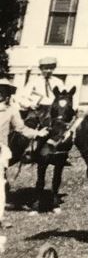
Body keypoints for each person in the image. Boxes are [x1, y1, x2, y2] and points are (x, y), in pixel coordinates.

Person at [0, 80, 49, 228]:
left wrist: (38, 133)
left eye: (3, 91)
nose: (0, 94)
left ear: (8, 94)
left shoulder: (11, 111)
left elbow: (21, 129)